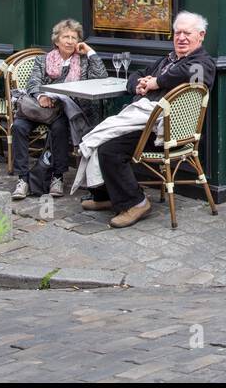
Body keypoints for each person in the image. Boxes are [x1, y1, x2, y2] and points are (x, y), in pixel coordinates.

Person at [82, 12, 216, 229]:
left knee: (110, 148)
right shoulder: (168, 59)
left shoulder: (202, 63)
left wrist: (157, 82)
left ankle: (136, 202)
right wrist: (139, 84)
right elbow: (136, 74)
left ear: (201, 36)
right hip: (142, 121)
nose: (181, 38)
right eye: (177, 32)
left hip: (166, 131)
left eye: (187, 33)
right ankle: (106, 195)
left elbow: (194, 76)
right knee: (98, 136)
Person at [11, 19, 106, 200]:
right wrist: (41, 97)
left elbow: (101, 78)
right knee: (18, 127)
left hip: (64, 111)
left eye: (74, 37)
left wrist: (91, 52)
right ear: (56, 40)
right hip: (40, 108)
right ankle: (23, 179)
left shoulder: (83, 61)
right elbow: (33, 83)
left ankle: (57, 177)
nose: (70, 41)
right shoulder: (43, 60)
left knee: (59, 128)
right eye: (66, 37)